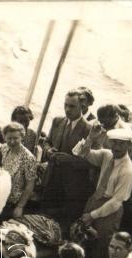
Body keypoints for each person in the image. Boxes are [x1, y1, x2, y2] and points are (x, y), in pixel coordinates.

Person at [74, 125, 132, 258]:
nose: (116, 146)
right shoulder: (107, 155)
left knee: (101, 246)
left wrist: (93, 215)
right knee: (84, 239)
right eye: (114, 142)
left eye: (121, 143)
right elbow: (81, 153)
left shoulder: (128, 170)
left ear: (129, 145)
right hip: (95, 199)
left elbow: (116, 202)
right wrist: (90, 137)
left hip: (110, 210)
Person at [39, 91, 94, 232]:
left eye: (72, 106)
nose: (68, 109)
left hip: (71, 187)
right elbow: (47, 142)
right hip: (51, 179)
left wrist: (71, 160)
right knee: (43, 218)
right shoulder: (57, 121)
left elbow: (93, 162)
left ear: (82, 106)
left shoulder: (90, 130)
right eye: (66, 105)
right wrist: (48, 151)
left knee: (62, 224)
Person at [0, 122, 38, 219]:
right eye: (9, 138)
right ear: (4, 137)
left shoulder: (29, 158)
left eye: (16, 138)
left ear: (22, 137)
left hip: (12, 202)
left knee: (0, 231)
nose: (12, 141)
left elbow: (30, 185)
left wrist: (20, 207)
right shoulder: (3, 149)